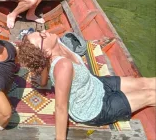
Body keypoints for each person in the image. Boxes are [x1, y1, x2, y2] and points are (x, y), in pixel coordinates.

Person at [17, 30, 156, 140]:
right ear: (46, 52)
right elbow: (60, 107)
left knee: (143, 82)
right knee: (150, 95)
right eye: (41, 37)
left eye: (40, 31)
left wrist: (42, 82)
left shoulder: (57, 44)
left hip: (96, 84)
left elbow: (43, 64)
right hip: (94, 109)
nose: (44, 32)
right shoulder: (62, 66)